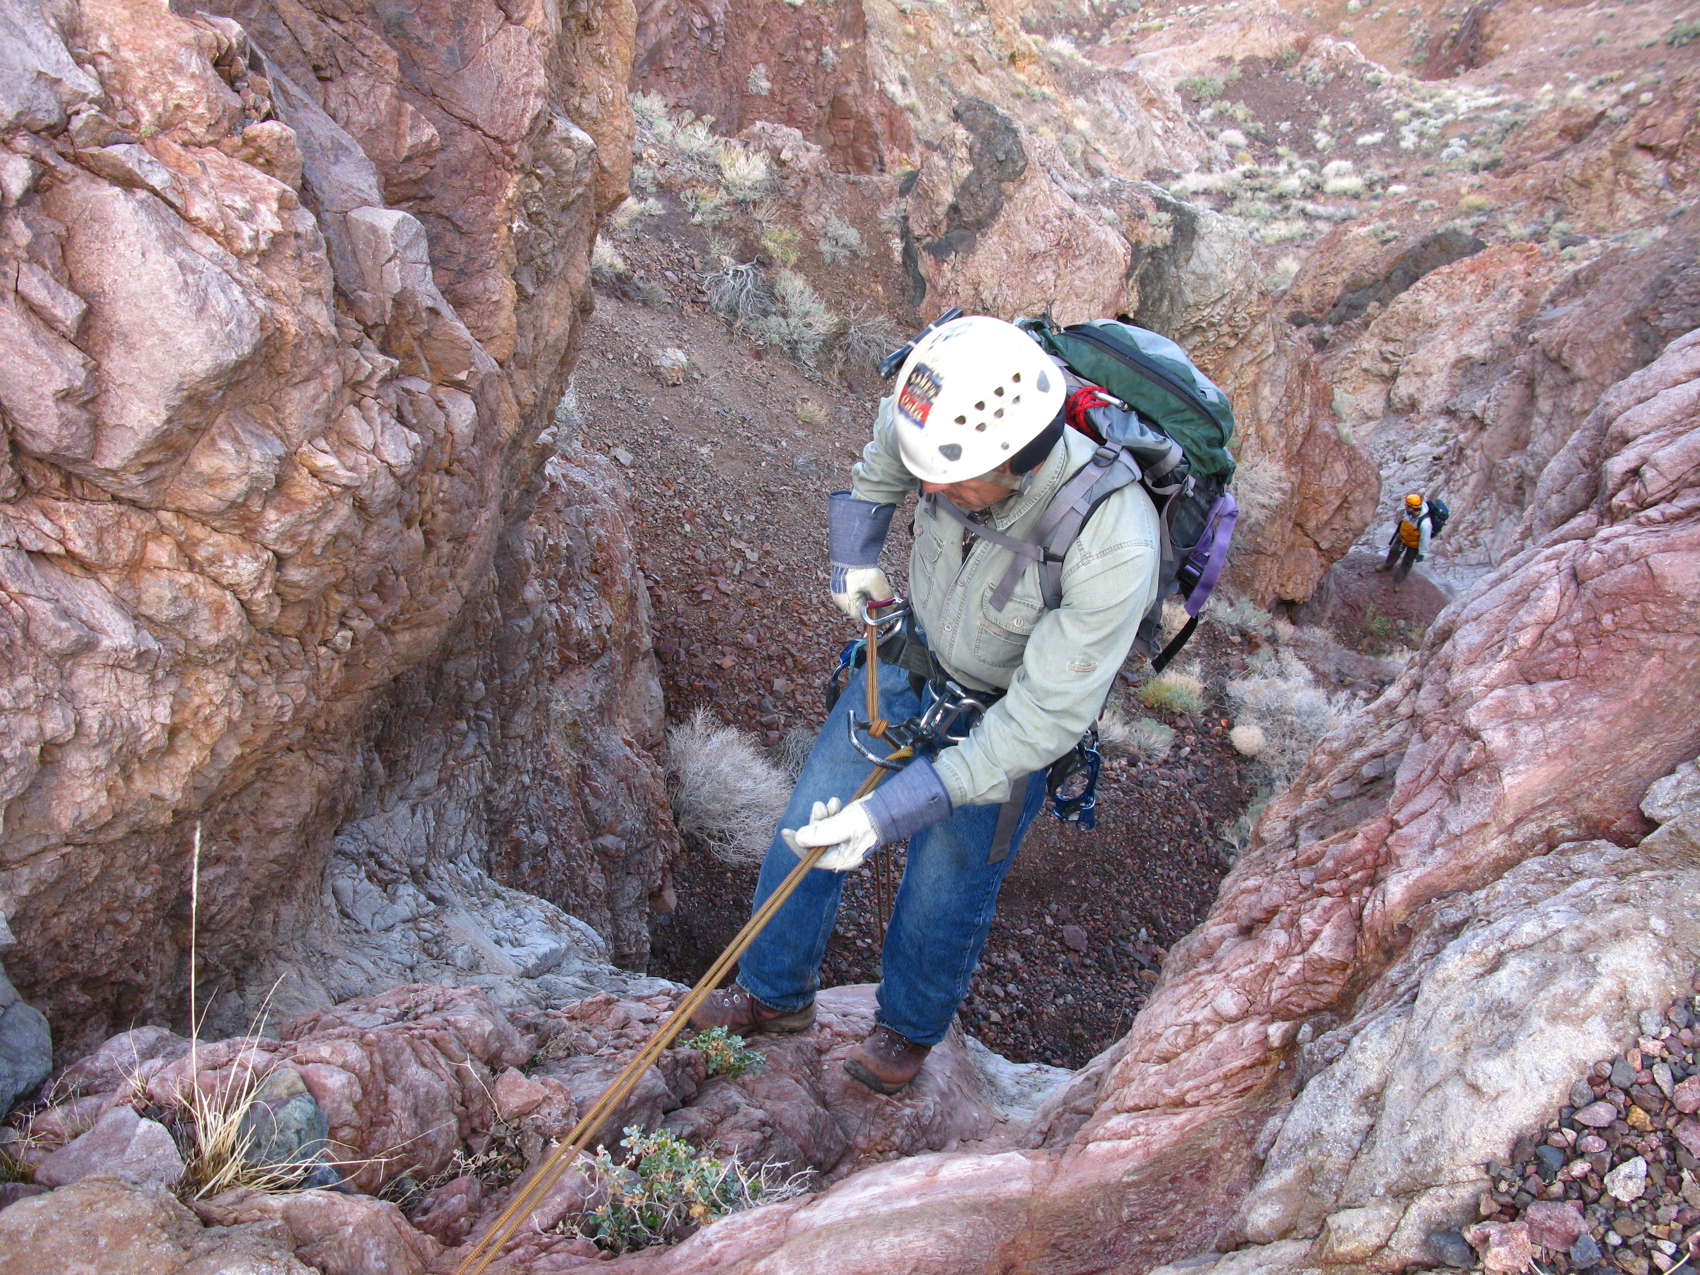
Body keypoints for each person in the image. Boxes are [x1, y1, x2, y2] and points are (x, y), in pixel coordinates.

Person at [689, 315, 1162, 1094]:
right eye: (928, 477)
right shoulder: (937, 427)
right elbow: (887, 453)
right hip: (911, 661)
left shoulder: (1113, 538)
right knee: (808, 816)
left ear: (1017, 459)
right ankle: (774, 992)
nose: (931, 491)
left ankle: (907, 1029)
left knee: (947, 879)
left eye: (951, 481)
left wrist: (889, 814)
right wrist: (853, 557)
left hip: (1007, 722)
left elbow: (1043, 719)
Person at [1376, 491, 1433, 583]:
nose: (1405, 507)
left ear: (1413, 508)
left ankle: (1398, 580)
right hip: (1402, 538)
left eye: (1407, 506)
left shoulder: (1425, 523)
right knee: (1394, 551)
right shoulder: (1409, 512)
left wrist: (1421, 553)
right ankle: (1387, 565)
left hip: (1413, 545)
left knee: (1407, 561)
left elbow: (1425, 539)